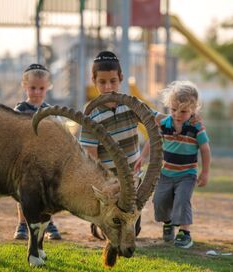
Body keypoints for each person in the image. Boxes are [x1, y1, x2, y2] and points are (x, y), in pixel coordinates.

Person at [135, 80, 211, 248]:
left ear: (193, 109)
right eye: (173, 109)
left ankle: (185, 233)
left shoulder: (196, 127)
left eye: (183, 111)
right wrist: (143, 157)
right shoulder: (165, 123)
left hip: (187, 174)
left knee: (182, 200)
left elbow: (205, 150)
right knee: (160, 201)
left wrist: (205, 172)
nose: (177, 114)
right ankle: (168, 222)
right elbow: (153, 140)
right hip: (166, 173)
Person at [79, 51, 142, 239]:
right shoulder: (91, 113)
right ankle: (98, 223)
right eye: (102, 82)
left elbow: (155, 119)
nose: (108, 87)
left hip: (132, 180)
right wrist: (101, 183)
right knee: (113, 223)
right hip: (109, 183)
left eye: (113, 81)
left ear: (121, 78)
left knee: (133, 230)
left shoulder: (131, 104)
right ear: (94, 81)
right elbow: (91, 155)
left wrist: (179, 118)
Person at [13, 63, 62, 240]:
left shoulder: (51, 111)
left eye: (41, 88)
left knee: (48, 193)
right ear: (24, 86)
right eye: (32, 87)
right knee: (24, 194)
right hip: (25, 160)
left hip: (45, 160)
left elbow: (58, 135)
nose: (37, 92)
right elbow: (14, 135)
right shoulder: (19, 111)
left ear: (47, 87)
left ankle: (48, 224)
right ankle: (22, 224)